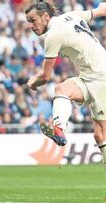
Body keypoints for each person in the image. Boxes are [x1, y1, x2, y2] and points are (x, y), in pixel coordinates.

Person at [25, 1, 106, 169]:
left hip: (102, 78)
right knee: (61, 89)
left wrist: (33, 83)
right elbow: (100, 10)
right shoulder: (72, 15)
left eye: (33, 20)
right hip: (88, 77)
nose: (31, 26)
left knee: (102, 134)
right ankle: (59, 130)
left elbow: (45, 76)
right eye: (28, 22)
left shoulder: (53, 35)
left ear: (45, 16)